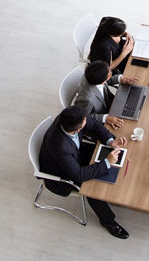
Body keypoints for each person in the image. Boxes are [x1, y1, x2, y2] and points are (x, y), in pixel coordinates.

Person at [39, 105, 129, 239]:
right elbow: (79, 175)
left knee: (105, 155)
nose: (87, 120)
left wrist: (111, 141)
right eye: (84, 122)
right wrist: (107, 163)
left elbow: (94, 124)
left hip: (76, 154)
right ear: (78, 129)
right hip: (62, 175)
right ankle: (108, 221)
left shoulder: (69, 117)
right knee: (92, 189)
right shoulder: (60, 148)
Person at [74, 60, 138, 129]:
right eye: (109, 73)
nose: (111, 72)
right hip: (101, 118)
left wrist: (121, 79)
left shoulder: (93, 74)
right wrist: (105, 118)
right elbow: (83, 117)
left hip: (110, 104)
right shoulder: (87, 98)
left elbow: (107, 80)